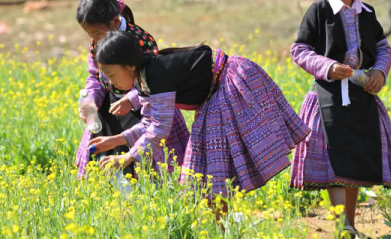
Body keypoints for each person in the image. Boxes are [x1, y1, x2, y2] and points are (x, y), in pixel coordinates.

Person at [94, 31, 309, 197]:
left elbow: (159, 128)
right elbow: (151, 124)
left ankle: (222, 234)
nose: (111, 82)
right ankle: (220, 233)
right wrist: (116, 140)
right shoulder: (144, 78)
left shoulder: (156, 73)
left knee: (211, 173)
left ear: (129, 65)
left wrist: (128, 156)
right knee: (207, 175)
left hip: (229, 84)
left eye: (112, 74)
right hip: (216, 93)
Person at [290, 0, 391, 239]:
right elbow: (299, 50)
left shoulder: (367, 13)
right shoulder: (319, 11)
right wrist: (328, 67)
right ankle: (343, 226)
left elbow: (382, 47)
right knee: (336, 160)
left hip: (361, 97)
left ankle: (350, 226)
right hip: (329, 98)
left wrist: (379, 72)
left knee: (356, 159)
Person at [74, 0, 189, 178]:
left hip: (145, 107)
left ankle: (147, 190)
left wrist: (131, 99)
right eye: (89, 34)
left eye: (96, 32)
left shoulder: (140, 40)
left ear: (115, 22)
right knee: (106, 148)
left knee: (147, 159)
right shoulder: (97, 43)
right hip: (112, 106)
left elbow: (154, 79)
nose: (94, 39)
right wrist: (91, 101)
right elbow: (95, 76)